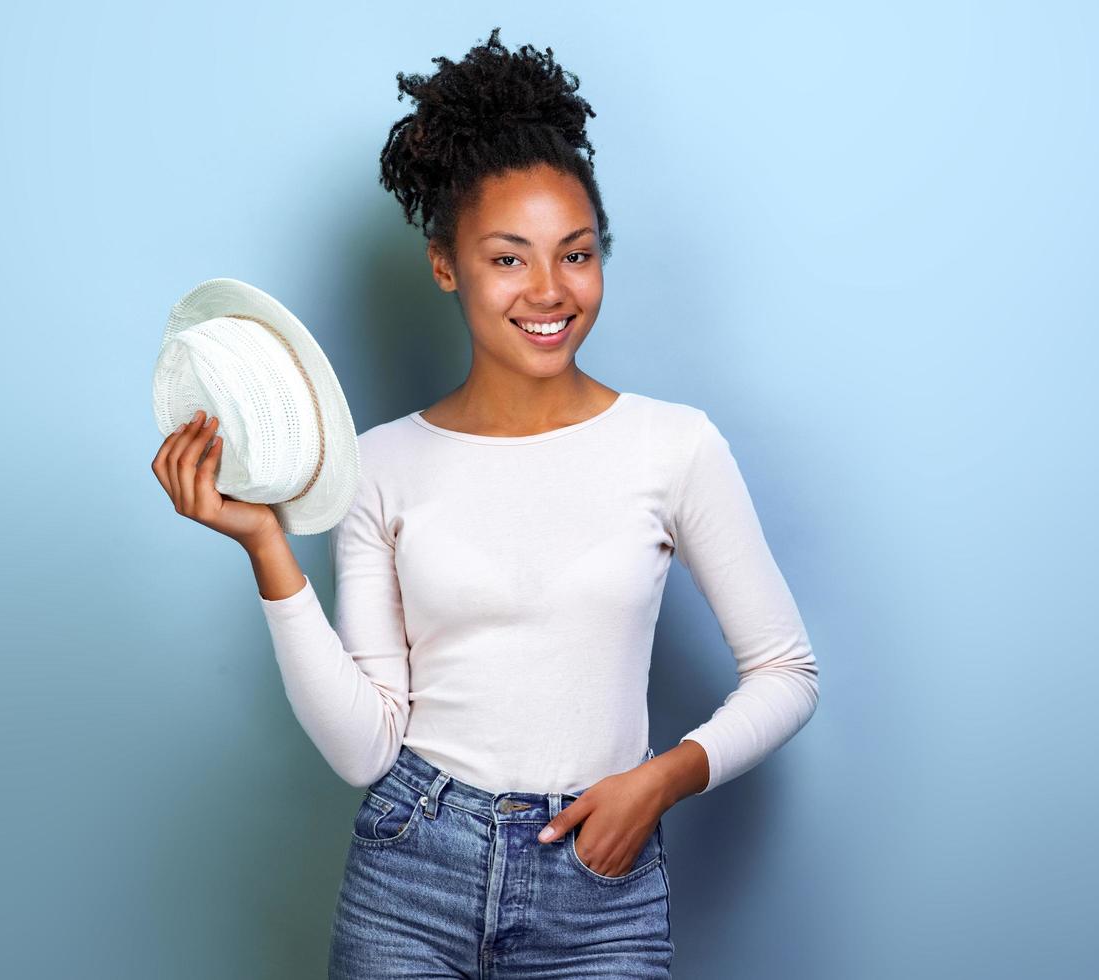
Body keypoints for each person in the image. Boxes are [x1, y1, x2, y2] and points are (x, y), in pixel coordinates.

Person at [150, 27, 818, 979]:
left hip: (601, 877)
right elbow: (363, 747)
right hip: (410, 870)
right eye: (509, 258)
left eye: (575, 254)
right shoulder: (380, 466)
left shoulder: (674, 446)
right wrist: (267, 545)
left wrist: (660, 781)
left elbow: (786, 672)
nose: (549, 291)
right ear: (444, 264)